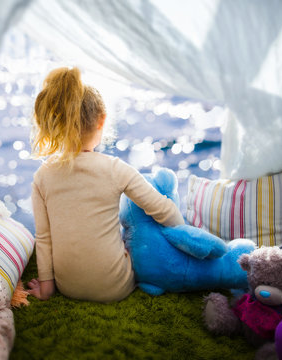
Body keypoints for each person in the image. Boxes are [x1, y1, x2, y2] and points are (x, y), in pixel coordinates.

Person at [26, 67, 184, 303]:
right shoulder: (115, 168)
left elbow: (44, 237)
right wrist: (184, 236)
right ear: (101, 120)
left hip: (68, 286)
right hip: (115, 287)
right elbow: (164, 211)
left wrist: (47, 288)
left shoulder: (42, 176)